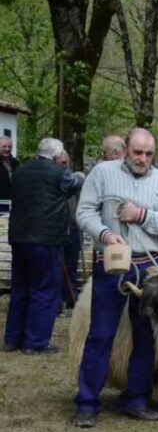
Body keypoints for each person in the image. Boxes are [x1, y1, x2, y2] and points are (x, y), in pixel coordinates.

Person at [72, 128, 158, 428]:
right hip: (112, 262)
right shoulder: (102, 173)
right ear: (125, 149)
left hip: (151, 265)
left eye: (149, 154)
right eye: (137, 152)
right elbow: (84, 213)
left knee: (146, 335)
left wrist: (143, 215)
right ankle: (87, 403)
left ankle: (136, 399)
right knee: (101, 333)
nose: (143, 159)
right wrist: (105, 233)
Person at [3, 139, 84, 354]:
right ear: (57, 156)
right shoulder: (58, 172)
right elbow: (74, 184)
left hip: (19, 238)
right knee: (45, 289)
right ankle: (36, 342)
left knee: (20, 288)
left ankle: (13, 339)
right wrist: (81, 176)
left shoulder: (20, 171)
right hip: (46, 238)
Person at [56, 151, 83, 311]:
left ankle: (71, 298)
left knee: (71, 265)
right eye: (61, 162)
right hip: (56, 229)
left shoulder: (74, 179)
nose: (63, 166)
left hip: (72, 227)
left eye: (66, 163)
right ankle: (57, 300)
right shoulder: (51, 180)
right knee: (56, 266)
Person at [0, 135, 19, 206]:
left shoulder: (15, 162)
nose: (7, 149)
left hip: (13, 200)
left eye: (9, 146)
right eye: (4, 146)